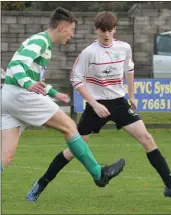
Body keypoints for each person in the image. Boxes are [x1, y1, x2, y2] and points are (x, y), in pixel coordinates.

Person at [27, 11, 171, 202]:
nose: (106, 35)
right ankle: (40, 185)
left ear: (115, 29)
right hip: (96, 106)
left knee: (147, 138)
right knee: (74, 150)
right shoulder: (89, 52)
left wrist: (131, 96)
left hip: (119, 103)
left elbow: (129, 69)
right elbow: (75, 78)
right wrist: (94, 103)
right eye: (102, 30)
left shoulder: (124, 48)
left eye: (110, 30)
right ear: (96, 30)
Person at [1, 7, 126, 196]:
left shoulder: (43, 45)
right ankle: (99, 173)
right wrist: (27, 84)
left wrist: (53, 93)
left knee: (6, 155)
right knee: (69, 126)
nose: (72, 35)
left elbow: (34, 79)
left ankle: (99, 173)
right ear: (61, 27)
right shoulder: (41, 41)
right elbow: (16, 65)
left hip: (9, 97)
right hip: (20, 95)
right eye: (72, 30)